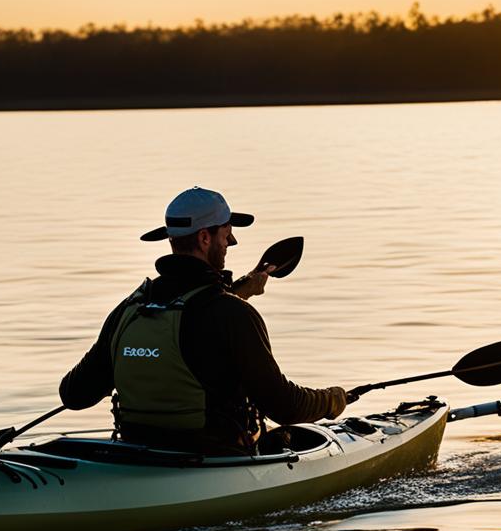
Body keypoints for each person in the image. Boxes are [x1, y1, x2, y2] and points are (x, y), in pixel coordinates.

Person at [59, 187, 348, 454]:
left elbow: (74, 395)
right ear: (205, 238)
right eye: (227, 234)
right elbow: (284, 407)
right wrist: (332, 400)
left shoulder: (130, 309)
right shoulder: (233, 315)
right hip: (214, 459)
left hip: (138, 451)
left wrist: (239, 292)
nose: (230, 243)